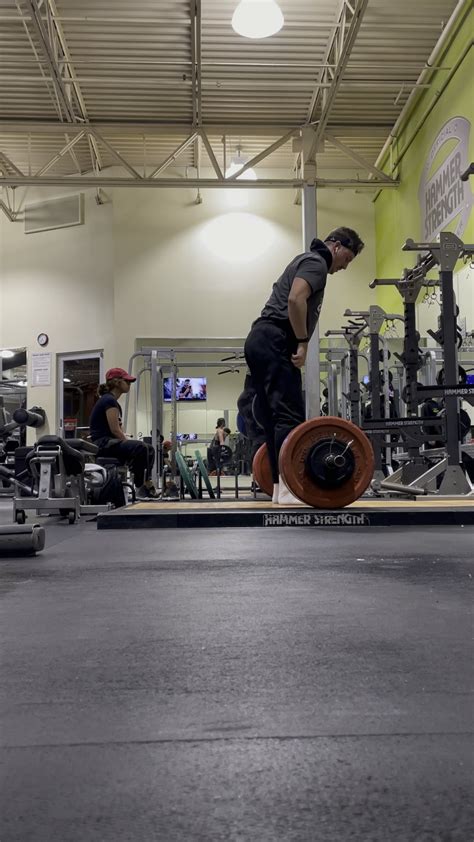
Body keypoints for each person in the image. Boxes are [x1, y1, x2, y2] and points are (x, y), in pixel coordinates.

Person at [244, 227, 364, 504]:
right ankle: (290, 487)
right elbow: (295, 299)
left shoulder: (307, 260)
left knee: (274, 419)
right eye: (347, 258)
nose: (345, 267)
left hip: (260, 338)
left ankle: (278, 489)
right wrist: (302, 342)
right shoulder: (316, 263)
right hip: (275, 337)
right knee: (289, 416)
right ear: (336, 246)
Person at [89, 367, 158, 500]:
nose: (129, 384)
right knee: (141, 448)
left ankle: (145, 484)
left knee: (149, 449)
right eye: (127, 381)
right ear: (117, 382)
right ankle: (140, 488)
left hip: (109, 442)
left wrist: (126, 439)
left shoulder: (111, 401)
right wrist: (127, 441)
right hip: (103, 444)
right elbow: (115, 430)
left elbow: (117, 429)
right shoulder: (109, 400)